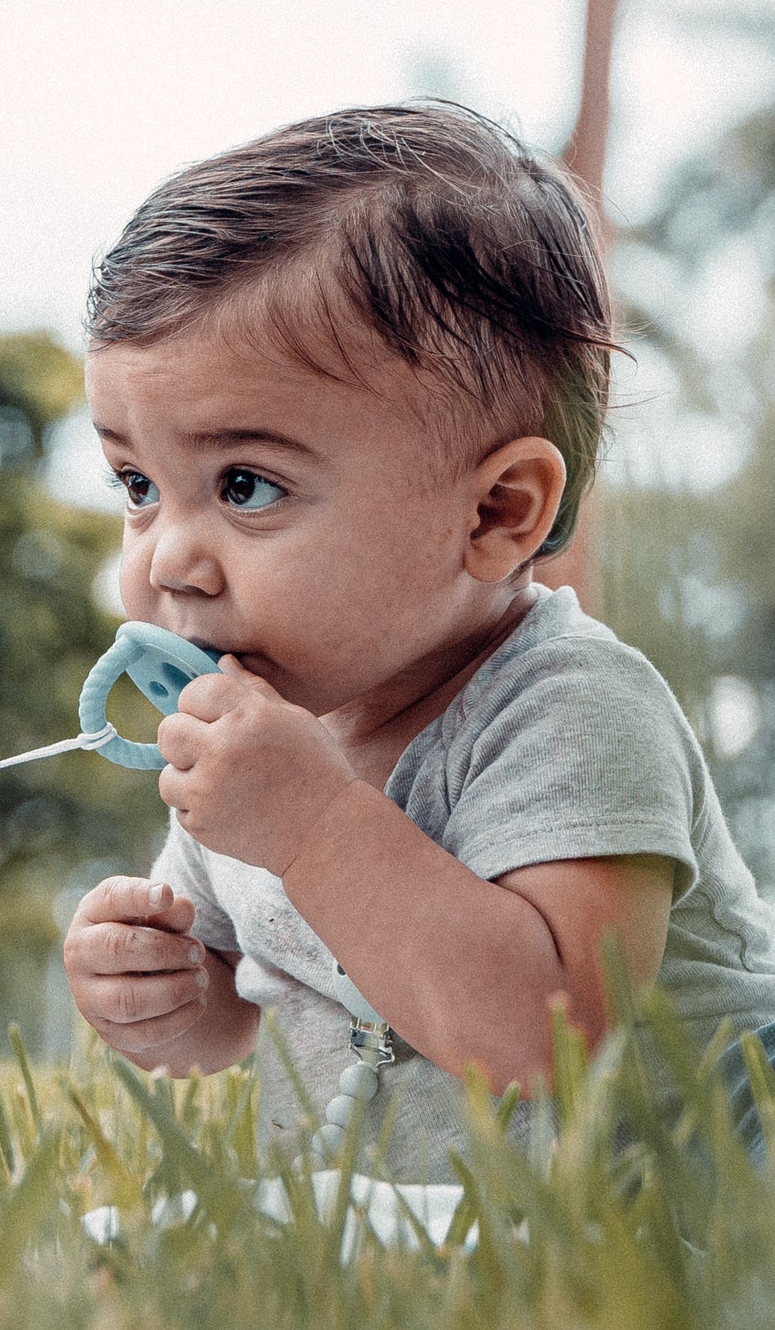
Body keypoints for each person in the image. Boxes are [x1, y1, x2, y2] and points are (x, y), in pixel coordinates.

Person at [60, 103, 775, 1179]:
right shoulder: (255, 741)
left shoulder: (574, 709)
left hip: (691, 1220)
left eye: (244, 484)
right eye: (137, 484)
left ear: (494, 513)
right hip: (427, 1243)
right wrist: (165, 991)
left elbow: (546, 1039)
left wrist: (309, 822)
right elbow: (241, 1000)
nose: (168, 557)